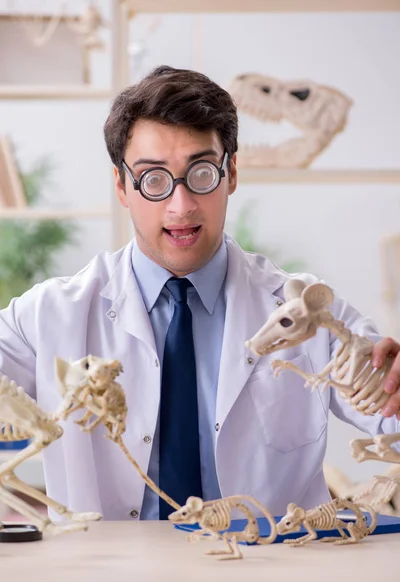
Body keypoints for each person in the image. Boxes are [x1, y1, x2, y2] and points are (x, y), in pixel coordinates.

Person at [1, 65, 399, 522]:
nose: (181, 205)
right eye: (153, 179)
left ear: (230, 173)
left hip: (269, 576)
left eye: (202, 172)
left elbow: (390, 414)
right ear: (121, 187)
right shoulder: (46, 316)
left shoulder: (307, 311)